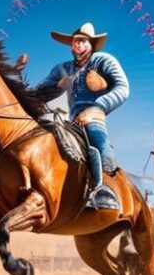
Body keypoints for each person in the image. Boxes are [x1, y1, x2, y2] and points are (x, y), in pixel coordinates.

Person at [34, 23, 130, 210]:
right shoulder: (62, 69)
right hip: (72, 120)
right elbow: (38, 94)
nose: (77, 45)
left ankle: (105, 189)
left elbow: (123, 87)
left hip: (94, 116)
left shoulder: (102, 60)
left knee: (95, 136)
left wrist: (99, 107)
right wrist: (56, 86)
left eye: (82, 41)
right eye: (75, 41)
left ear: (91, 44)